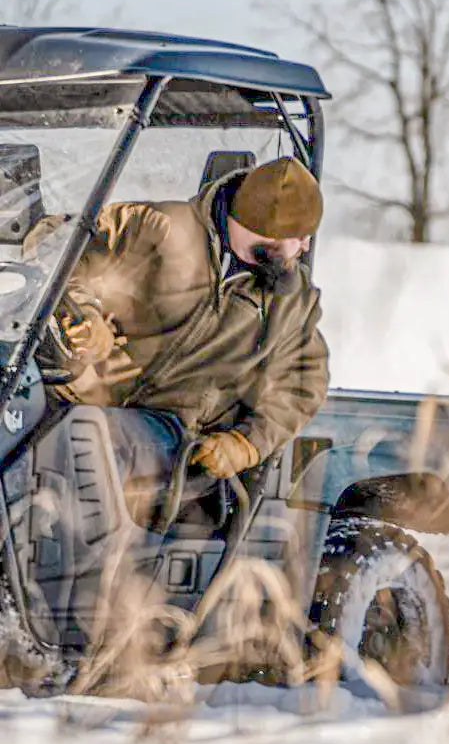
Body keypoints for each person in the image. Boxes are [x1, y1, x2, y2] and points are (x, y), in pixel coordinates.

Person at [39, 157, 331, 525]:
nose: (304, 247)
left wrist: (247, 444)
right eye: (299, 237)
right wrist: (86, 313)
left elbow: (303, 380)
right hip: (75, 393)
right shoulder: (156, 228)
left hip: (175, 430)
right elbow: (61, 250)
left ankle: (73, 578)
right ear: (270, 231)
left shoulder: (291, 298)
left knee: (85, 440)